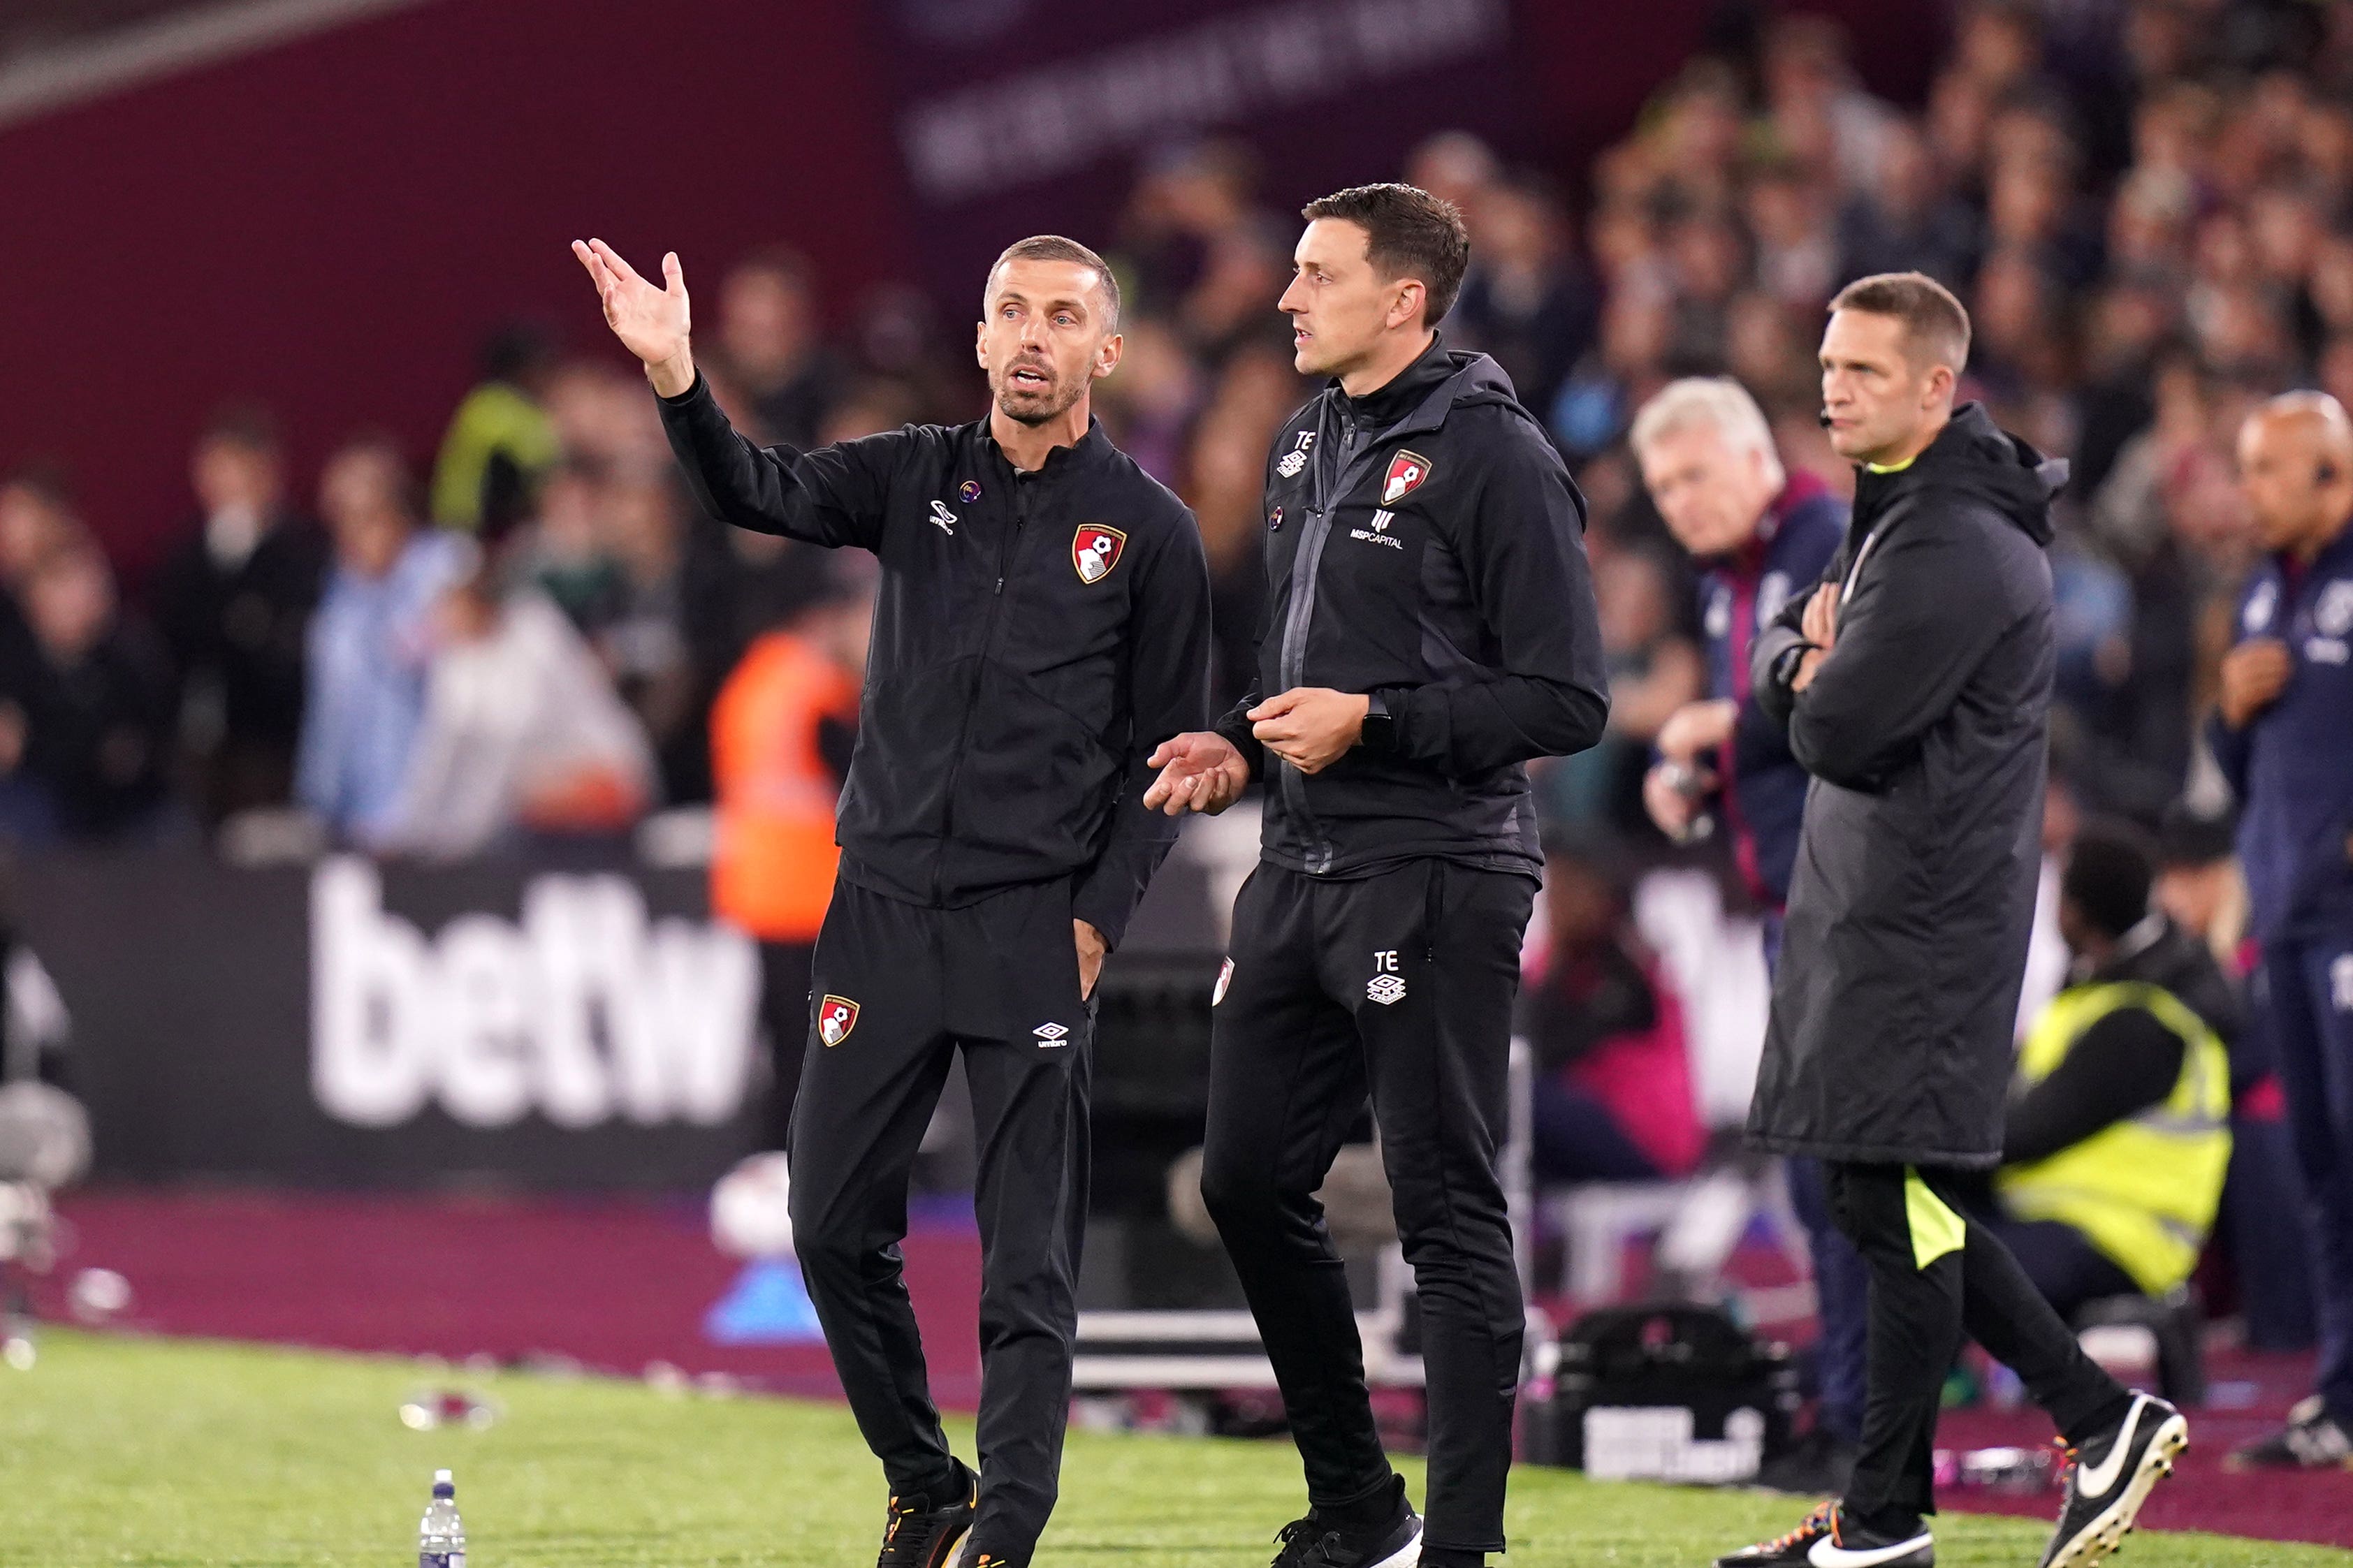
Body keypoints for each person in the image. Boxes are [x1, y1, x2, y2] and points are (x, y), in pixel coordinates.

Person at [574, 230, 1209, 1568]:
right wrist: (681, 377)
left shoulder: (1148, 532)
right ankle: (925, 1485)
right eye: (1008, 311)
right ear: (979, 339)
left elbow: (1167, 749)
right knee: (825, 1223)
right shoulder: (915, 472)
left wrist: (1097, 915)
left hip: (1032, 923)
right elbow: (752, 490)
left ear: (1107, 350)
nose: (1031, 336)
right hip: (877, 915)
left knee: (1025, 1253)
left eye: (1061, 316)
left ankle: (1009, 1529)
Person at [1144, 183, 1608, 1568]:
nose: (1286, 297)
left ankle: (1459, 1544)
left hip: (1436, 871)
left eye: (1316, 274)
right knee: (1240, 1178)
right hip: (1299, 864)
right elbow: (1308, 668)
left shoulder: (1493, 455)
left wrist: (1378, 724)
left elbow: (1565, 698)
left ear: (1402, 299)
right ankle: (1359, 1503)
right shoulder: (1305, 441)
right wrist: (1239, 738)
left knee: (1444, 1203)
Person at [1719, 272, 2181, 1568]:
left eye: (1862, 369)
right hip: (1889, 906)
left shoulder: (1945, 541)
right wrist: (1799, 658)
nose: (1830, 388)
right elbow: (1809, 680)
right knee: (1886, 1198)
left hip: (1916, 919)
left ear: (1936, 384)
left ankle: (2089, 1418)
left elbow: (1836, 726)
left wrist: (1791, 663)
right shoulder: (1908, 519)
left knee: (1882, 1196)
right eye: (1826, 363)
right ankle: (1889, 1515)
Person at [1629, 374, 1860, 1494]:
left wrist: (1720, 724)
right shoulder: (1729, 582)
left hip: (1846, 905)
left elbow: (1839, 699)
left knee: (1843, 1176)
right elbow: (1777, 740)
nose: (1680, 501)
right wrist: (1706, 775)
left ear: (1755, 455)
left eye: (1695, 473)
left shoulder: (1823, 540)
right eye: (1664, 486)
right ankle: (1847, 1410)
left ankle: (1864, 1422)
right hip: (1791, 905)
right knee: (1819, 1177)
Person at [2212, 391, 2353, 1469]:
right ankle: (2343, 1398)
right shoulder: (2263, 591)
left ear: (2331, 477)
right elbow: (2244, 776)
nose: (2246, 491)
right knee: (2321, 1164)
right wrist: (2230, 712)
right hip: (2291, 920)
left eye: (2266, 471)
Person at [1991, 821, 2232, 1319]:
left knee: (1933, 1253)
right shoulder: (2097, 992)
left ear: (2075, 913)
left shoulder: (2137, 1020)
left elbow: (2025, 1131)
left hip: (2117, 1238)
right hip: (2073, 1222)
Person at [708, 583, 868, 1149]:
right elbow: (861, 781)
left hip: (756, 882)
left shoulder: (751, 682)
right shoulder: (819, 689)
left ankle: (774, 1152)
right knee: (819, 1040)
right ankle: (806, 1156)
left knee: (780, 1036)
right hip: (809, 890)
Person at [148, 405, 328, 823]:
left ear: (266, 472)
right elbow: (173, 639)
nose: (220, 484)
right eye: (212, 470)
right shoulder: (186, 555)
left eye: (233, 469)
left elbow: (287, 647)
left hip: (271, 744)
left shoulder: (302, 552)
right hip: (197, 746)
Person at [295, 436, 469, 847]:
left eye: (368, 515)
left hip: (450, 827)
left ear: (399, 509)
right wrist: (316, 810)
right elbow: (330, 720)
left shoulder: (449, 570)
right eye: (342, 518)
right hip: (364, 825)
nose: (355, 532)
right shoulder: (338, 604)